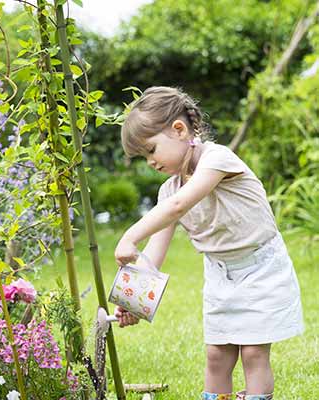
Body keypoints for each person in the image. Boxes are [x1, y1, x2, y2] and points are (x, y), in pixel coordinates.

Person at [113, 86, 304, 400]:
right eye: (143, 156)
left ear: (178, 130)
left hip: (261, 267)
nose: (149, 161)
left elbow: (178, 207)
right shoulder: (169, 190)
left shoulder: (217, 160)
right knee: (217, 354)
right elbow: (153, 255)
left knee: (253, 352)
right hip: (219, 274)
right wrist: (131, 300)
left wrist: (129, 235)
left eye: (151, 150)